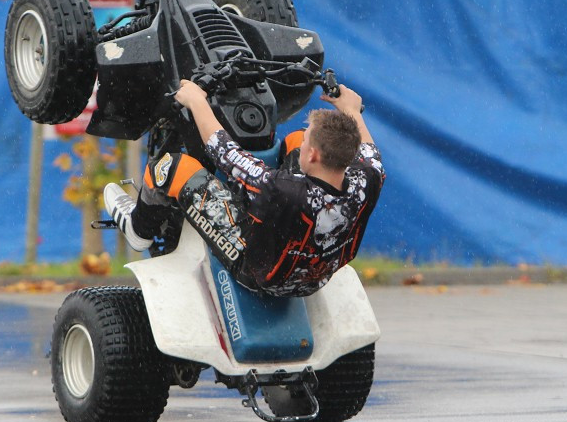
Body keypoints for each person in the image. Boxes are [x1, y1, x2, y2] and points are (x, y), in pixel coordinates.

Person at [104, 79, 385, 297]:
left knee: (170, 168)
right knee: (294, 139)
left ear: (313, 156)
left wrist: (196, 101)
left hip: (260, 274)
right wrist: (351, 111)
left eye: (309, 146)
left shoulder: (279, 189)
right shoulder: (368, 179)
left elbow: (226, 153)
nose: (305, 147)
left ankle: (139, 229)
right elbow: (370, 151)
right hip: (315, 277)